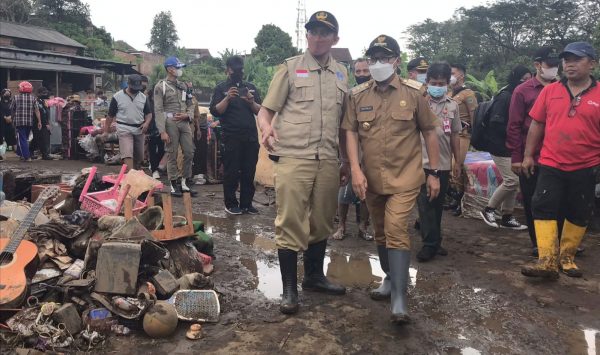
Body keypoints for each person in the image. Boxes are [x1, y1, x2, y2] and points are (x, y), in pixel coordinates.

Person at [257, 10, 349, 315]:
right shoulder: (290, 68)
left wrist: (347, 160)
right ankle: (289, 290)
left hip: (328, 160)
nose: (318, 37)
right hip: (295, 157)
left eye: (325, 33)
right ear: (306, 35)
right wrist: (266, 127)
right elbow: (265, 111)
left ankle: (314, 277)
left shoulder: (341, 74)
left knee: (322, 220)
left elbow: (345, 124)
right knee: (290, 221)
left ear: (335, 38)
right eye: (313, 31)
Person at [343, 35, 440, 324]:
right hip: (371, 178)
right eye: (373, 58)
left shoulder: (414, 93)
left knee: (397, 227)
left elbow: (429, 132)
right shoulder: (357, 95)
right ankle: (389, 279)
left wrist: (433, 172)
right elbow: (350, 132)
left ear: (396, 61)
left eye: (384, 58)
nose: (377, 64)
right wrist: (355, 169)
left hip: (406, 177)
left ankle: (399, 296)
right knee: (382, 231)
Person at [521, 42, 600, 280]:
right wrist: (527, 155)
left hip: (586, 165)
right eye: (566, 60)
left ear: (592, 64)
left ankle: (566, 258)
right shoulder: (550, 91)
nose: (569, 64)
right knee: (542, 205)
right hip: (551, 162)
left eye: (576, 59)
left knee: (579, 211)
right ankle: (546, 261)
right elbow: (537, 124)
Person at [506, 47, 560, 255]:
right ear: (537, 65)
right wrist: (517, 157)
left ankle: (559, 240)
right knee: (533, 200)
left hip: (557, 155)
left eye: (556, 65)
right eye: (549, 65)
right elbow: (514, 126)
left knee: (557, 200)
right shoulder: (523, 91)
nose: (553, 69)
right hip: (531, 156)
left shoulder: (564, 88)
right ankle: (538, 243)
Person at [415, 62, 461, 262]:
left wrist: (457, 161)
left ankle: (435, 240)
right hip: (421, 163)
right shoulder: (419, 102)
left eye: (441, 83)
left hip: (442, 163)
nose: (437, 86)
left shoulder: (452, 105)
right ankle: (429, 244)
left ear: (447, 84)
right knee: (425, 205)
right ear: (427, 82)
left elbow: (455, 135)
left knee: (437, 205)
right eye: (434, 82)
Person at [479, 66, 531, 230]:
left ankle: (507, 216)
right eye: (523, 79)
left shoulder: (520, 96)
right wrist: (516, 132)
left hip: (513, 146)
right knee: (512, 180)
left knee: (514, 182)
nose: (526, 83)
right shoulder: (506, 96)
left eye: (529, 79)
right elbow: (496, 123)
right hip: (500, 146)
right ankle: (489, 209)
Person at [210, 55, 262, 215]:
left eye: (240, 70)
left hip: (250, 136)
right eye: (234, 70)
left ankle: (247, 204)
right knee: (231, 171)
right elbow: (215, 111)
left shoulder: (250, 87)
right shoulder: (221, 88)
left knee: (249, 171)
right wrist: (227, 98)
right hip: (231, 137)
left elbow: (261, 111)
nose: (237, 73)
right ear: (228, 70)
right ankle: (231, 203)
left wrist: (251, 101)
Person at [333, 58, 372, 241]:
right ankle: (341, 226)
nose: (362, 75)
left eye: (366, 71)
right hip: (351, 150)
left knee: (367, 192)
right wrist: (345, 158)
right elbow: (342, 130)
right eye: (358, 72)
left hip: (372, 152)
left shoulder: (379, 94)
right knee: (344, 190)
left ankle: (363, 227)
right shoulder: (347, 96)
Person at [153, 56, 197, 197]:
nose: (180, 70)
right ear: (170, 69)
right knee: (172, 153)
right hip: (169, 122)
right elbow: (158, 110)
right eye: (178, 67)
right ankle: (173, 183)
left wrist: (188, 115)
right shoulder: (161, 86)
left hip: (184, 122)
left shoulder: (183, 86)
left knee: (189, 152)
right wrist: (162, 131)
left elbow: (191, 104)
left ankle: (185, 181)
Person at [449, 63, 478, 215]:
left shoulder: (468, 94)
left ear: (461, 75)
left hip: (463, 135)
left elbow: (474, 115)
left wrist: (476, 135)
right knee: (449, 167)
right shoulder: (448, 93)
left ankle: (462, 201)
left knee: (457, 165)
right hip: (448, 135)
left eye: (453, 72)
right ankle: (454, 198)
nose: (451, 76)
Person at [108, 74, 152, 171]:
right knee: (127, 153)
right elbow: (110, 115)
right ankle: (131, 176)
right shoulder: (117, 97)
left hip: (139, 129)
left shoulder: (143, 98)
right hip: (124, 128)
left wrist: (146, 123)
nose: (136, 90)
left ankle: (135, 173)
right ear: (128, 84)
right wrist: (106, 131)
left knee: (139, 156)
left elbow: (149, 114)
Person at [11, 81, 40, 162]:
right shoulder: (33, 98)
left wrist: (12, 119)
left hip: (19, 122)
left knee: (22, 139)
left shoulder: (15, 97)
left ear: (21, 88)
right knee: (25, 138)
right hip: (29, 122)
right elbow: (37, 110)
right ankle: (21, 154)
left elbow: (12, 110)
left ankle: (27, 156)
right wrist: (39, 121)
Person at [146, 83, 165, 179]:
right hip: (151, 128)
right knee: (152, 150)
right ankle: (154, 170)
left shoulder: (163, 101)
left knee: (162, 149)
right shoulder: (148, 101)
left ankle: (154, 164)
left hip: (161, 128)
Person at [32, 86, 53, 160]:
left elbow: (45, 113)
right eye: (44, 93)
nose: (46, 94)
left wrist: (47, 123)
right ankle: (32, 152)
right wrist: (45, 123)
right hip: (37, 123)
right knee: (37, 139)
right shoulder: (36, 101)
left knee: (44, 138)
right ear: (39, 93)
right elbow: (39, 113)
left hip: (43, 123)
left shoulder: (43, 102)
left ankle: (45, 154)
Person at [1, 89, 17, 157]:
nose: (7, 95)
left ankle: (16, 151)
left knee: (13, 135)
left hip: (11, 121)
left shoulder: (12, 101)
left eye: (9, 93)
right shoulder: (0, 102)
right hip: (2, 121)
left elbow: (15, 110)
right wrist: (4, 117)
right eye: (6, 93)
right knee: (1, 135)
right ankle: (1, 153)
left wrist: (11, 117)